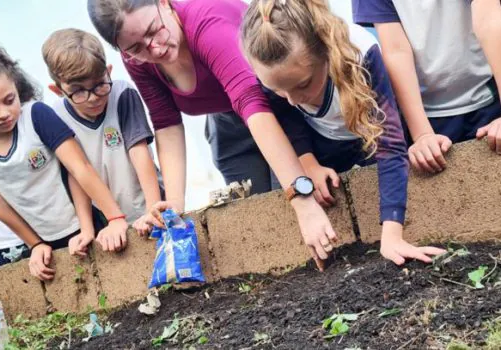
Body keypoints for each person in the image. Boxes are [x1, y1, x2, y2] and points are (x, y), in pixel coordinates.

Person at [87, 0, 340, 270]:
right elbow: (166, 123)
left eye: (154, 30)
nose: (155, 48)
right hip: (227, 125)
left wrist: (302, 200)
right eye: (136, 48)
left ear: (164, 3)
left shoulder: (207, 21)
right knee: (259, 214)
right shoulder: (137, 61)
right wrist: (173, 205)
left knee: (297, 203)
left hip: (276, 108)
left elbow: (251, 101)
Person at [241, 0, 446, 264]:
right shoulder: (274, 72)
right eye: (279, 89)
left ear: (325, 53)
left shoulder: (362, 55)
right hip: (321, 140)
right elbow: (287, 117)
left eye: (303, 84)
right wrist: (307, 163)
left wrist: (392, 235)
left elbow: (390, 147)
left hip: (367, 131)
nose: (292, 99)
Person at [0, 38, 129, 280]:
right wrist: (35, 244)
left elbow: (79, 168)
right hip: (41, 239)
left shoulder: (36, 116)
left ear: (17, 88)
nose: (4, 113)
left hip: (79, 224)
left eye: (9, 100)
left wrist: (112, 219)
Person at [42, 28, 164, 242]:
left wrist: (152, 210)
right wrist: (87, 229)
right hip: (107, 219)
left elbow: (139, 152)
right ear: (58, 90)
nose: (92, 98)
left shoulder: (122, 94)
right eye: (78, 91)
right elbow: (76, 174)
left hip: (146, 201)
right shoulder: (57, 116)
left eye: (99, 85)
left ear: (108, 71)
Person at [352, 0, 501, 173]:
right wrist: (422, 135)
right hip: (430, 113)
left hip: (489, 96)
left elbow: (489, 19)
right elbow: (396, 50)